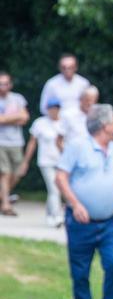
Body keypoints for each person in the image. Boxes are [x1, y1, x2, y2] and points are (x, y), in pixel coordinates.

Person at [55, 104, 113, 299]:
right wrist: (75, 204)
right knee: (80, 270)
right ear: (105, 125)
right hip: (81, 221)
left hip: (109, 221)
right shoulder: (77, 146)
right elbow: (61, 177)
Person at [21, 96, 66, 226]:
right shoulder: (40, 123)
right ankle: (57, 216)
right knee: (54, 188)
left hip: (61, 162)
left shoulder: (64, 123)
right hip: (46, 161)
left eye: (56, 108)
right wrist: (26, 161)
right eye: (51, 108)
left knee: (57, 189)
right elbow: (32, 143)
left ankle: (49, 213)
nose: (53, 111)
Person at [0, 71, 30, 217]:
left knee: (18, 172)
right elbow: (19, 117)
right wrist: (14, 118)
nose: (3, 87)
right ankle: (5, 204)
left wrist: (4, 118)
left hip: (16, 142)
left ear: (10, 84)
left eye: (5, 83)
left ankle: (2, 197)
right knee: (4, 173)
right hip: (1, 141)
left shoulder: (17, 98)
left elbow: (24, 117)